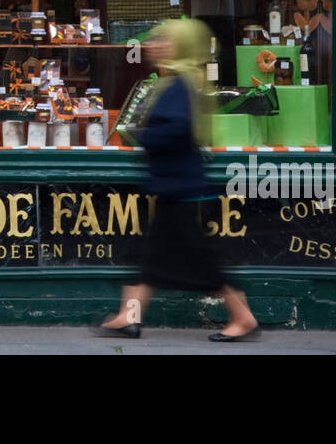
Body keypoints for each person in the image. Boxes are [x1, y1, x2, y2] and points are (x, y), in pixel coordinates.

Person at [95, 18, 260, 342]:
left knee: (198, 261)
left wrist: (143, 135)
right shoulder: (177, 81)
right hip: (175, 185)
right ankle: (129, 316)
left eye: (165, 41)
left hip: (182, 188)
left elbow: (177, 130)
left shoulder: (179, 85)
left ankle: (242, 317)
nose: (155, 46)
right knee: (150, 254)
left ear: (182, 47)